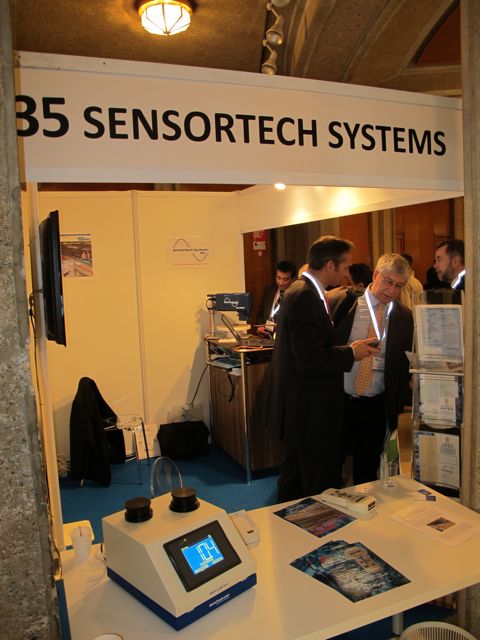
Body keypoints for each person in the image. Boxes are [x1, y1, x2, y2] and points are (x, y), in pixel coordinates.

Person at [268, 236, 378, 502]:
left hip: (302, 408)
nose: (347, 273)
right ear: (330, 265)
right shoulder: (305, 296)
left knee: (294, 483)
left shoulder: (302, 290)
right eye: (345, 266)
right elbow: (310, 360)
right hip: (311, 411)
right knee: (317, 485)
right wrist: (352, 352)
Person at [328, 253, 414, 485]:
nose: (392, 291)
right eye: (388, 282)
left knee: (367, 472)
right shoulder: (344, 304)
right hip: (339, 400)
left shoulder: (403, 317)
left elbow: (404, 363)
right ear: (375, 275)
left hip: (375, 404)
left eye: (399, 286)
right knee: (330, 466)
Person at [255, 259, 297, 334]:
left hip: (284, 337)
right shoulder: (269, 290)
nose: (281, 283)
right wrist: (260, 326)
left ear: (293, 279)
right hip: (266, 336)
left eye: (285, 279)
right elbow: (260, 314)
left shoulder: (296, 296)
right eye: (278, 278)